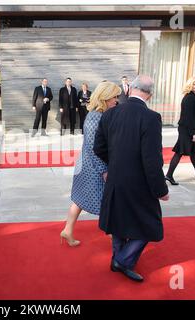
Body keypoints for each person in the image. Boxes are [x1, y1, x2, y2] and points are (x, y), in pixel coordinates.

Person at [94, 75, 169, 282]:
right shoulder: (151, 118)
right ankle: (123, 260)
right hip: (139, 183)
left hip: (116, 178)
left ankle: (118, 258)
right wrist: (161, 190)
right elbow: (152, 159)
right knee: (149, 224)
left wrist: (117, 162)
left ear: (129, 90)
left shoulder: (110, 114)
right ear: (150, 95)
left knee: (118, 220)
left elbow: (98, 148)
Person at [60, 81, 121, 246]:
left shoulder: (97, 115)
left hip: (87, 164)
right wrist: (104, 170)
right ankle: (116, 237)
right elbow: (95, 148)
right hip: (93, 166)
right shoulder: (96, 117)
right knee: (106, 202)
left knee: (80, 199)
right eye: (114, 96)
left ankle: (68, 230)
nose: (117, 100)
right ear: (105, 98)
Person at [165, 77, 195, 185]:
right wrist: (193, 133)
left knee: (193, 150)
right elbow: (188, 118)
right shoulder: (189, 98)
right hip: (186, 129)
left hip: (186, 127)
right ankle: (169, 175)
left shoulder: (192, 96)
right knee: (179, 152)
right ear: (190, 85)